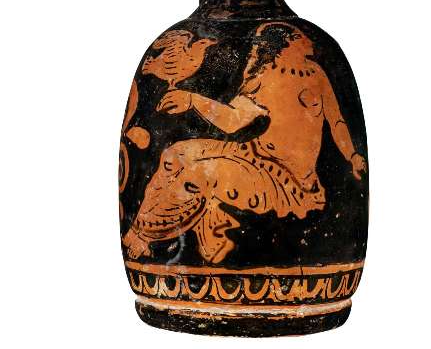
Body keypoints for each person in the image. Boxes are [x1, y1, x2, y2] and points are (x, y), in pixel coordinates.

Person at [123, 22, 366, 263]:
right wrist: (193, 100)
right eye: (297, 38)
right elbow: (233, 121)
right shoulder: (262, 77)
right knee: (175, 154)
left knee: (198, 173)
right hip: (253, 156)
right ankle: (141, 234)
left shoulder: (317, 73)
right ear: (280, 46)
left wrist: (353, 156)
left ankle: (206, 233)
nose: (306, 40)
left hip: (285, 179)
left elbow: (337, 121)